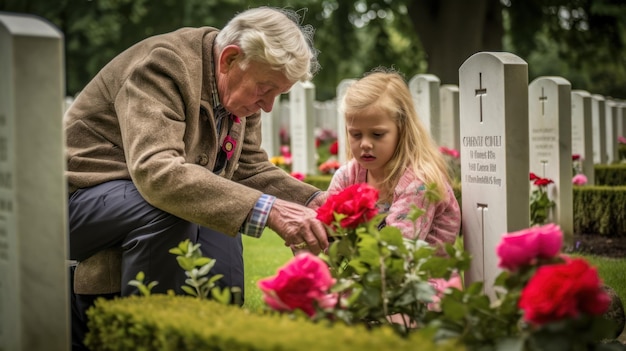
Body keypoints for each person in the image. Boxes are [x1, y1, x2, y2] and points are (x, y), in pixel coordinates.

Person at [65, 6, 328, 350]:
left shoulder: (238, 91)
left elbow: (249, 168)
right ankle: (150, 338)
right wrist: (270, 211)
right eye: (265, 89)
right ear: (229, 59)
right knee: (170, 209)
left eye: (276, 95)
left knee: (223, 223)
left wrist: (317, 202)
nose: (267, 106)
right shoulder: (164, 65)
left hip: (127, 200)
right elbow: (157, 171)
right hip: (73, 205)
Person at [327, 67, 460, 253]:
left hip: (418, 276)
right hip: (371, 273)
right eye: (356, 134)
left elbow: (397, 251)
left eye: (377, 134)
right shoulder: (348, 175)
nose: (365, 144)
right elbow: (326, 228)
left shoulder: (419, 181)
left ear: (401, 129)